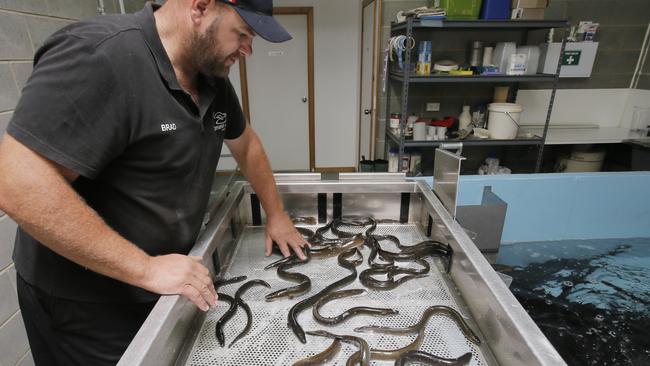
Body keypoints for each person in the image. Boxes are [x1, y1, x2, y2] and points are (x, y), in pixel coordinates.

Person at [0, 0, 308, 364]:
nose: (248, 49)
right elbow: (15, 183)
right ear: (200, 8)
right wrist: (145, 268)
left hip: (160, 285)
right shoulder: (102, 55)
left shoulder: (211, 80)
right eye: (242, 34)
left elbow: (248, 145)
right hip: (86, 304)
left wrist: (276, 214)